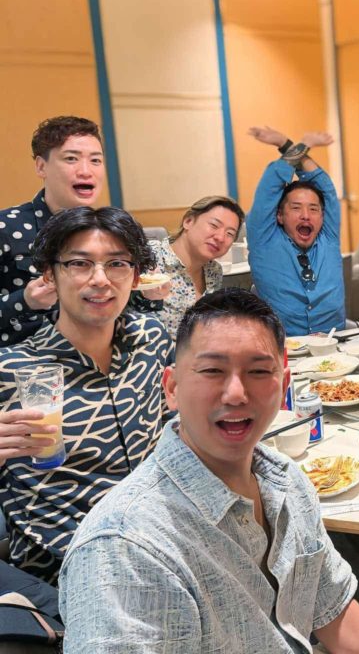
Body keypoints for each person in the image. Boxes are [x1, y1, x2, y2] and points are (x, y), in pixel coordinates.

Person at [59, 288, 359, 654]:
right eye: (212, 370)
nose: (236, 393)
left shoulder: (288, 482)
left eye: (258, 371)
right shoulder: (126, 549)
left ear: (284, 387)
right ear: (172, 388)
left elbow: (333, 612)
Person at [0, 207, 171, 583]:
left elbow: (177, 428)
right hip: (64, 569)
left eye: (117, 264)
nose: (100, 280)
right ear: (50, 275)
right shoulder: (11, 370)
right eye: (79, 263)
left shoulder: (151, 339)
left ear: (136, 276)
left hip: (160, 547)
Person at [0, 116, 106, 346]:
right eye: (71, 159)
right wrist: (25, 300)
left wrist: (151, 296)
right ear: (41, 167)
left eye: (96, 160)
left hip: (98, 353)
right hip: (24, 360)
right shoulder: (6, 227)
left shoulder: (108, 231)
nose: (86, 171)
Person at [246, 126, 345, 336]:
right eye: (296, 208)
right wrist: (302, 144)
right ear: (280, 216)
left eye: (313, 209)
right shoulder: (264, 240)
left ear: (323, 216)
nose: (306, 215)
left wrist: (287, 145)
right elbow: (270, 186)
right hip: (284, 347)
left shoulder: (328, 237)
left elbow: (325, 187)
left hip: (335, 342)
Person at [131, 195, 246, 338]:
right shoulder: (148, 256)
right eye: (214, 225)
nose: (220, 237)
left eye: (230, 234)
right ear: (188, 221)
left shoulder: (214, 271)